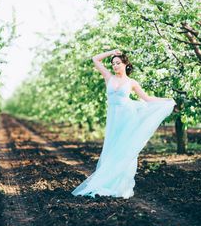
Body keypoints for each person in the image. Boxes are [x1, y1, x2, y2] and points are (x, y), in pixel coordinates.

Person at [72, 49, 176, 199]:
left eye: (118, 63)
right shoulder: (109, 77)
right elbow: (95, 59)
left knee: (124, 149)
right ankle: (107, 182)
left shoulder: (131, 82)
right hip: (114, 119)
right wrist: (111, 52)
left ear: (125, 64)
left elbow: (147, 99)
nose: (115, 66)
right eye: (113, 63)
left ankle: (121, 185)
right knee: (111, 149)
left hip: (127, 118)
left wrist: (166, 101)